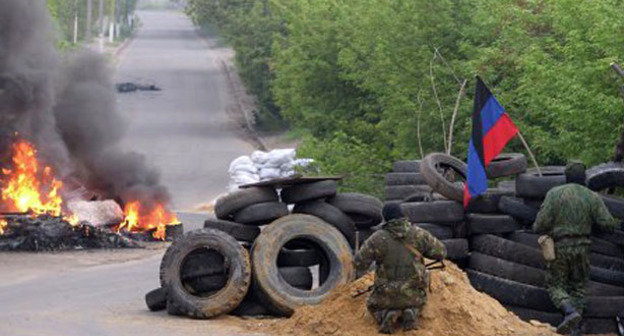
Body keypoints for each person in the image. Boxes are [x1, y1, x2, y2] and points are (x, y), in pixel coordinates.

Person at [533, 160, 618, 335]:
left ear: (567, 176)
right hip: (583, 248)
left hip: (560, 247)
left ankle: (570, 312)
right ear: (584, 177)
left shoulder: (554, 194)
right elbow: (608, 224)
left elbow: (540, 225)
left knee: (555, 284)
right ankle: (575, 327)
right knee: (578, 287)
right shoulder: (592, 196)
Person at [354, 202, 446, 334]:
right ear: (403, 215)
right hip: (414, 296)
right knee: (420, 298)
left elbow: (359, 264)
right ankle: (412, 312)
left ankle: (385, 315)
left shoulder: (377, 238)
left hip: (385, 297)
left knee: (372, 306)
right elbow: (441, 252)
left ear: (385, 218)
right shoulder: (420, 234)